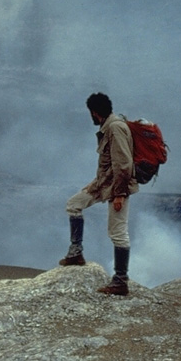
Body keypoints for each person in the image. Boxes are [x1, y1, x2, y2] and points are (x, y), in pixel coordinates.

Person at [59, 92, 138, 295]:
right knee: (74, 204)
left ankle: (120, 281)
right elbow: (109, 164)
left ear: (95, 112)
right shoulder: (110, 126)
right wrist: (94, 184)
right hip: (104, 184)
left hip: (117, 187)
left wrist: (119, 194)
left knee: (118, 233)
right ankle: (76, 253)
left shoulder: (115, 127)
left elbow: (123, 165)